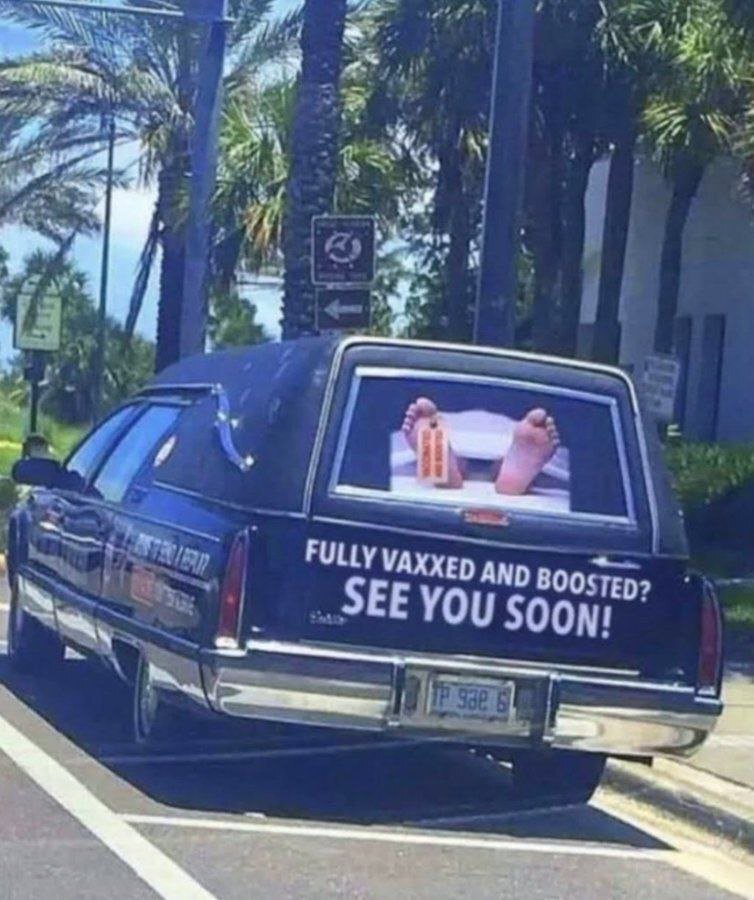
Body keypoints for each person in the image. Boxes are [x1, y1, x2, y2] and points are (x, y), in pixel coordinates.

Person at [401, 397, 561, 496]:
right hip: (503, 433)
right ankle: (501, 468)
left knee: (404, 453)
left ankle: (451, 466)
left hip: (459, 431)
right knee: (504, 458)